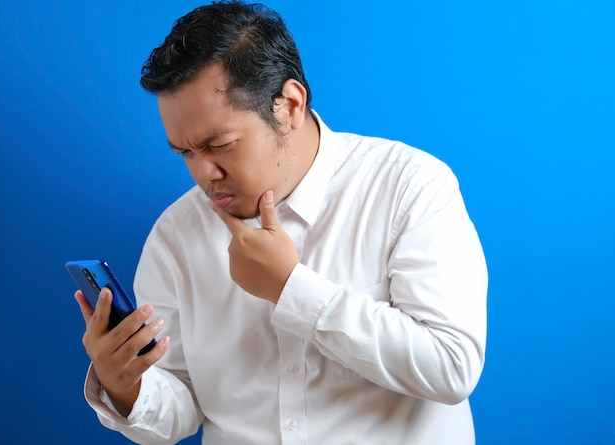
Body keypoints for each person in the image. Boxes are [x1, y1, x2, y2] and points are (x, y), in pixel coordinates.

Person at [74, 1, 488, 443]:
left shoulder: (409, 187)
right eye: (185, 153)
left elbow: (452, 366)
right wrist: (125, 385)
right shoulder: (176, 234)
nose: (203, 174)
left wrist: (292, 288)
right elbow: (180, 403)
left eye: (220, 144)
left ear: (289, 105)